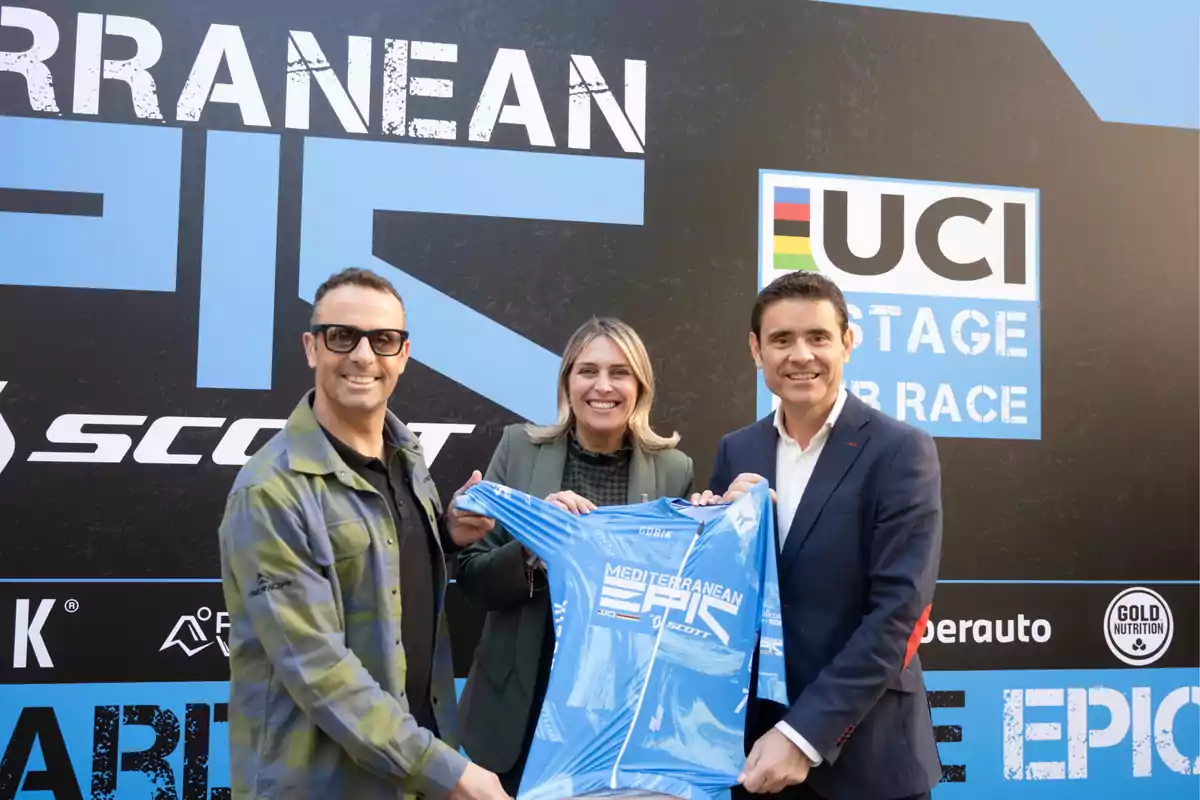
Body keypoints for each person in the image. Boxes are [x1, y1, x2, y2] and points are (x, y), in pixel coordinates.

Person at [218, 267, 509, 800]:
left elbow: (381, 571)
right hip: (321, 784)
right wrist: (450, 773)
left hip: (410, 773)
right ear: (312, 347)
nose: (362, 356)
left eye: (383, 339)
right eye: (342, 336)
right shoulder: (270, 491)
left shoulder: (407, 455)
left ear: (403, 353)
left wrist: (444, 536)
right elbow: (318, 669)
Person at [693, 271, 943, 800]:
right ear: (756, 350)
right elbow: (717, 602)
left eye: (818, 337)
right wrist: (715, 527)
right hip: (751, 758)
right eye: (781, 339)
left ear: (848, 343)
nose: (800, 354)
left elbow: (898, 615)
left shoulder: (901, 450)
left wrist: (803, 735)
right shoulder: (736, 452)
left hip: (868, 765)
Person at [455, 317, 696, 795]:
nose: (602, 386)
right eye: (587, 371)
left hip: (616, 721)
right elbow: (472, 579)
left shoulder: (674, 471)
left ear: (640, 386)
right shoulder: (518, 449)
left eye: (619, 372)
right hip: (521, 711)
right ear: (567, 382)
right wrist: (531, 545)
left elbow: (679, 599)